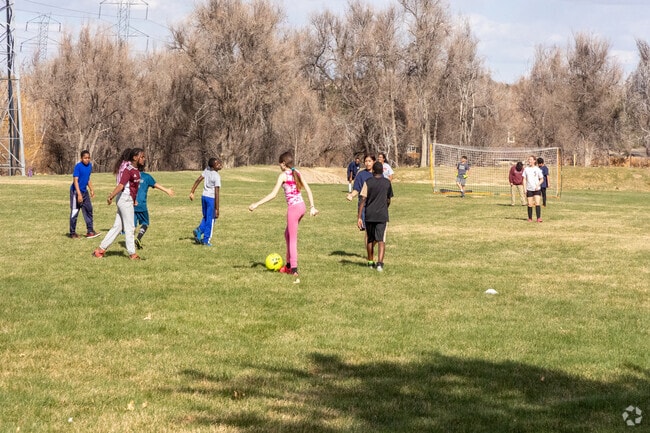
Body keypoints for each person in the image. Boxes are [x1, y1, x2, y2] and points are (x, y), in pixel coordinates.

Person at [249, 151, 318, 277]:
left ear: (284, 163)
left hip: (293, 209)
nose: (279, 166)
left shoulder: (283, 176)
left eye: (280, 163)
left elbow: (273, 194)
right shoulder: (297, 172)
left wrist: (257, 204)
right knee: (287, 234)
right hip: (302, 207)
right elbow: (308, 190)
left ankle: (293, 269)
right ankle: (288, 265)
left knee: (292, 239)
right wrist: (312, 207)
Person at [93, 148, 145, 259]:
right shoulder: (128, 170)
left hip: (129, 199)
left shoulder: (136, 171)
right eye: (142, 157)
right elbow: (121, 185)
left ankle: (100, 250)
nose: (143, 159)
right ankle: (132, 254)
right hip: (124, 199)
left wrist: (134, 199)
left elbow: (134, 188)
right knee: (130, 227)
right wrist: (111, 196)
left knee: (117, 227)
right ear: (135, 158)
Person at [357, 161, 393, 272]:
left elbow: (363, 199)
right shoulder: (387, 183)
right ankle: (380, 264)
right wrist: (385, 207)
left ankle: (370, 261)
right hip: (382, 215)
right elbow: (388, 199)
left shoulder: (368, 182)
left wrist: (359, 216)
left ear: (373, 171)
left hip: (369, 215)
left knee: (370, 239)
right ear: (382, 171)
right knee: (381, 240)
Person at [133, 163, 175, 249]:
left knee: (132, 226)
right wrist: (166, 190)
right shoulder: (147, 177)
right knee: (145, 222)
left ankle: (129, 243)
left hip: (132, 204)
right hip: (142, 205)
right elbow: (156, 185)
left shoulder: (132, 175)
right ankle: (138, 238)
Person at [347, 154, 376, 266]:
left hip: (375, 206)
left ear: (373, 162)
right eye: (366, 161)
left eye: (370, 161)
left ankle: (370, 248)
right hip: (364, 206)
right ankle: (370, 254)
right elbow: (356, 189)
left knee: (378, 234)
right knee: (368, 232)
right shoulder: (361, 175)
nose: (368, 163)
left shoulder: (377, 174)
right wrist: (351, 195)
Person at [189, 157, 222, 247]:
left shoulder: (207, 170)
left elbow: (198, 180)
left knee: (206, 217)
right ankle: (206, 240)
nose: (220, 164)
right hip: (211, 198)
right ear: (213, 166)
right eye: (217, 164)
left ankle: (199, 230)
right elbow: (217, 193)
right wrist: (217, 209)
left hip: (204, 197)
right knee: (211, 220)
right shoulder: (216, 176)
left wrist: (192, 191)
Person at [69, 149, 100, 239]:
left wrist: (91, 189)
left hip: (84, 192)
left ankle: (90, 231)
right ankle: (72, 232)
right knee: (75, 212)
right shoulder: (78, 167)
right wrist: (78, 194)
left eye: (88, 158)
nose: (87, 159)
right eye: (85, 158)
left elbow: (88, 179)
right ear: (81, 158)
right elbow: (75, 181)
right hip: (76, 192)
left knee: (89, 209)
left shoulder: (89, 166)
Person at [523, 155, 544, 223]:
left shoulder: (537, 169)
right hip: (529, 189)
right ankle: (530, 218)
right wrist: (525, 189)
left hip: (537, 189)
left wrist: (538, 185)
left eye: (531, 160)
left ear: (534, 161)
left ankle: (538, 218)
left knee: (537, 203)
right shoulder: (526, 169)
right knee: (529, 204)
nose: (529, 161)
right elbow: (524, 179)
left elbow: (542, 179)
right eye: (529, 160)